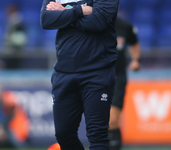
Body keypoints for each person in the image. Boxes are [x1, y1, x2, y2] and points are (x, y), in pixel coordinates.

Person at [40, 0, 119, 149]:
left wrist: (64, 13)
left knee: (97, 135)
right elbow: (46, 20)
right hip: (64, 72)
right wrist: (79, 11)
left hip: (97, 71)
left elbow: (98, 21)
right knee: (64, 135)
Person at [108, 16, 141, 150]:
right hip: (96, 75)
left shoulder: (125, 26)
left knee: (112, 120)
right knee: (98, 121)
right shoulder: (92, 22)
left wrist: (135, 60)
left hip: (117, 76)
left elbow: (134, 44)